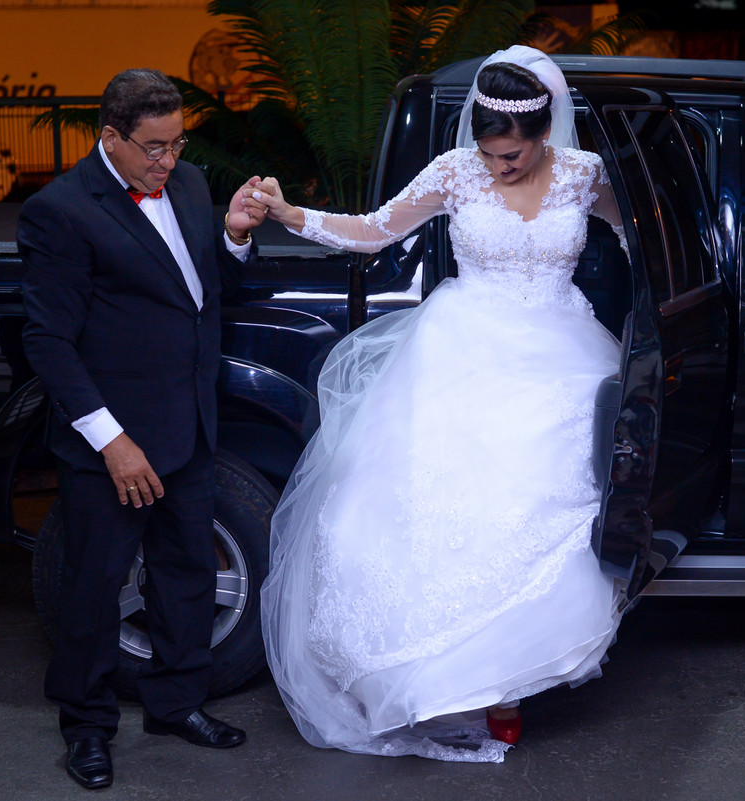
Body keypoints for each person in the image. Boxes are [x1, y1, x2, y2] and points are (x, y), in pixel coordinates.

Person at [253, 46, 628, 763]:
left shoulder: (584, 176)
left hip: (561, 358)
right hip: (463, 353)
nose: (499, 167)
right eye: (489, 155)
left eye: (512, 155)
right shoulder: (456, 171)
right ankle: (443, 683)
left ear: (544, 132)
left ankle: (508, 682)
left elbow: (640, 237)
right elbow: (374, 229)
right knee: (442, 517)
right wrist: (290, 213)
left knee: (542, 516)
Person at [17, 68, 268, 789]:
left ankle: (177, 702)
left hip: (187, 423)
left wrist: (234, 236)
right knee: (93, 588)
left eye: (178, 142)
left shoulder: (185, 185)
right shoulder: (60, 211)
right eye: (154, 146)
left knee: (187, 572)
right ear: (111, 137)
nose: (169, 159)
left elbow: (201, 289)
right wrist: (112, 441)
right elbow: (49, 342)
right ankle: (86, 728)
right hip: (115, 443)